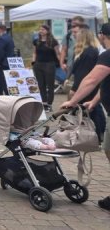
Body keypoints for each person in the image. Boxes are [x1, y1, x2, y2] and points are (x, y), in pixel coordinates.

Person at [61, 23, 110, 212]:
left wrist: (73, 101)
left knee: (108, 148)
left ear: (103, 35)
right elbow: (105, 82)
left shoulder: (107, 54)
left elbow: (91, 80)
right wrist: (96, 101)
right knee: (107, 149)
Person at [69, 28, 106, 142]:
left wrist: (75, 89)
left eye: (76, 34)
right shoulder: (91, 51)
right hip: (91, 86)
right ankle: (98, 134)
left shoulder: (88, 53)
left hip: (87, 87)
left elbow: (83, 74)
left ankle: (95, 135)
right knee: (93, 109)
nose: (74, 36)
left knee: (90, 109)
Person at [32, 24, 59, 111]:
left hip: (49, 65)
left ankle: (49, 104)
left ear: (47, 31)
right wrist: (33, 61)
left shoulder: (53, 41)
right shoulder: (36, 41)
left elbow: (58, 53)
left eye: (43, 29)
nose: (41, 31)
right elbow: (34, 52)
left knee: (50, 86)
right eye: (40, 29)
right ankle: (44, 103)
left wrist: (61, 63)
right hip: (38, 64)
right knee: (41, 85)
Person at [57, 16, 87, 93]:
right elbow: (63, 50)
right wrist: (61, 63)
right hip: (70, 65)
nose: (73, 26)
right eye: (72, 24)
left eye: (75, 24)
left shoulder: (87, 35)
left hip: (83, 65)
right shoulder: (68, 36)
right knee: (70, 86)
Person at [0, 24, 15, 96]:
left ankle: (1, 95)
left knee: (1, 80)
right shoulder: (9, 38)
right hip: (8, 63)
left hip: (3, 64)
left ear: (0, 29)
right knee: (3, 80)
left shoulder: (2, 39)